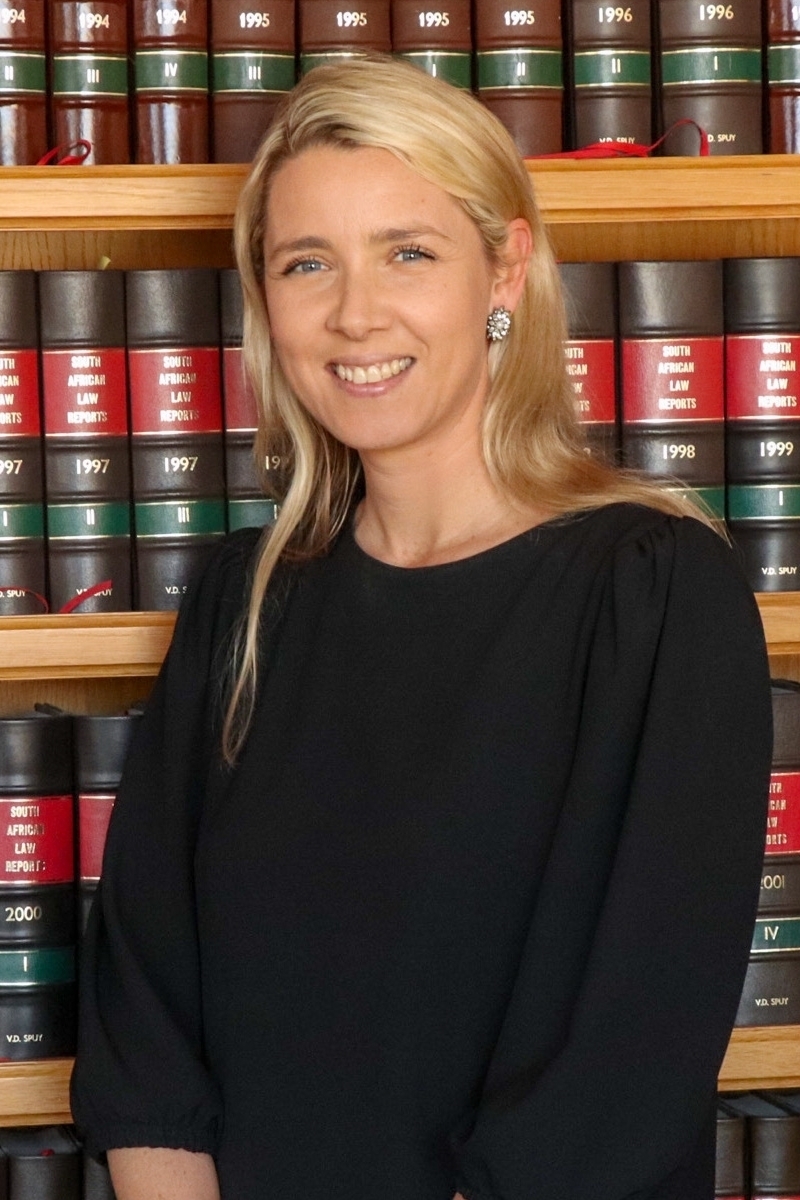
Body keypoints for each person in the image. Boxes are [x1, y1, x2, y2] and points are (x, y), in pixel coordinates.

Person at [71, 55, 772, 1200]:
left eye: (407, 252)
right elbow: (146, 1034)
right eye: (306, 263)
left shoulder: (649, 592)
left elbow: (621, 1063)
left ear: (504, 269)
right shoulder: (243, 603)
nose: (354, 314)